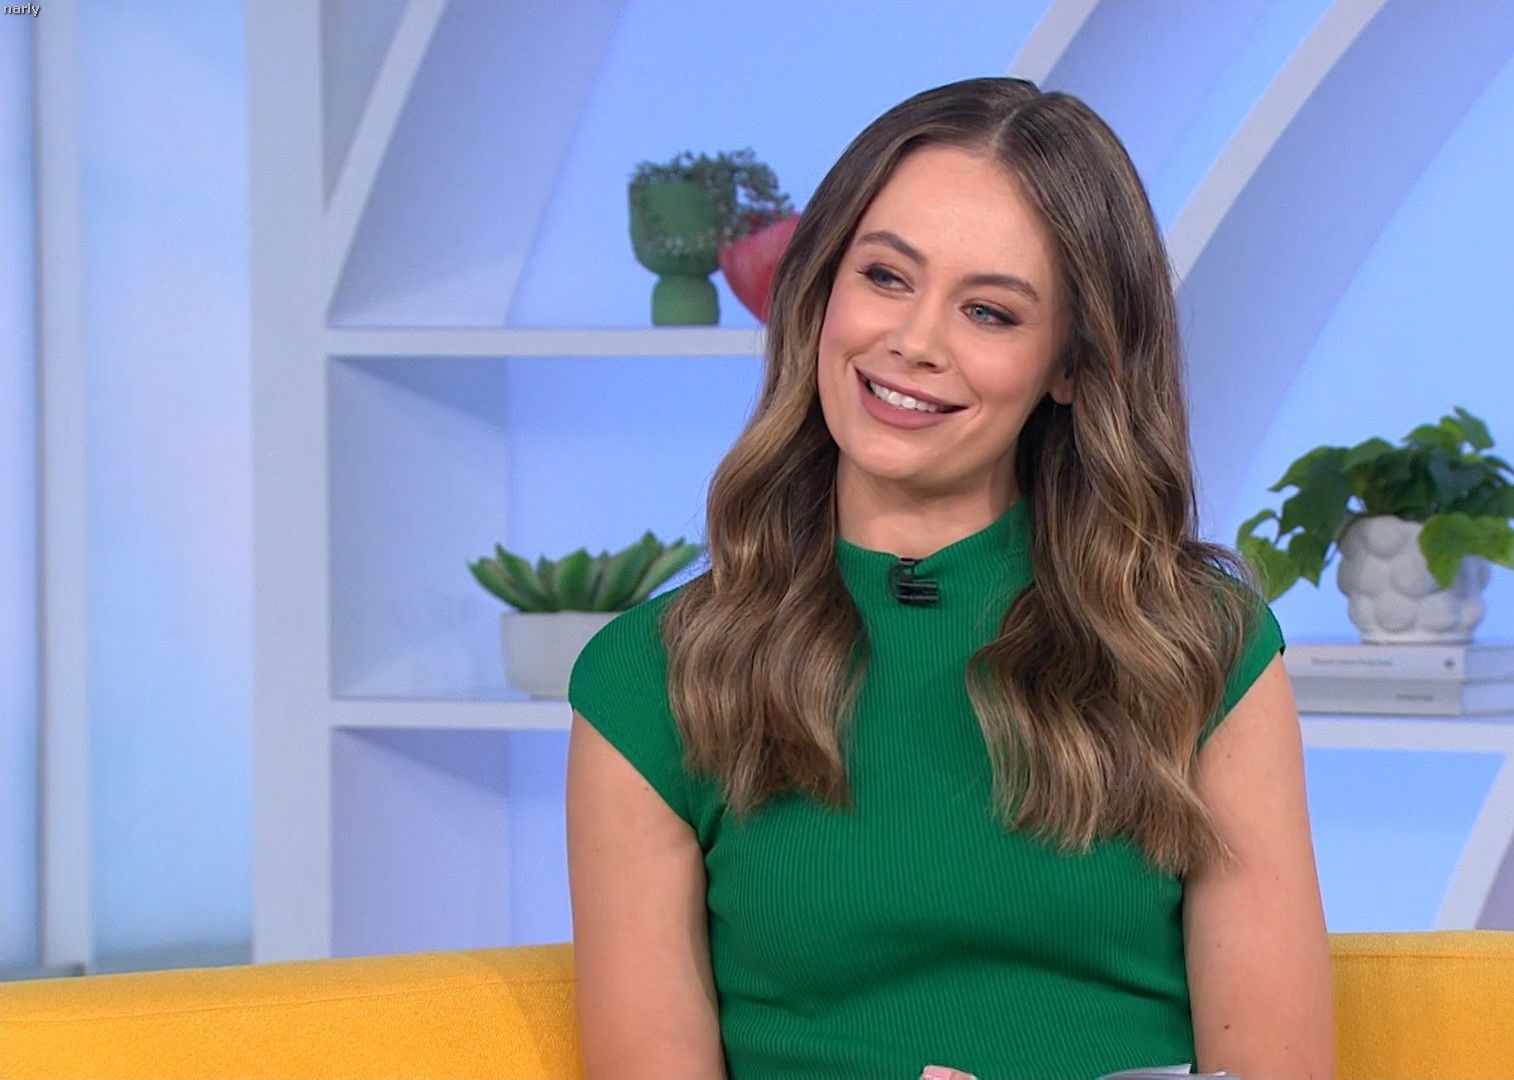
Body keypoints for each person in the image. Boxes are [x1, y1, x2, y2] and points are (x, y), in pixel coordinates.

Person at [566, 76, 1334, 1080]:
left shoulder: (1199, 643)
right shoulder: (646, 680)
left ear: (1070, 365)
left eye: (989, 311)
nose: (915, 343)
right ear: (822, 290)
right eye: (886, 277)